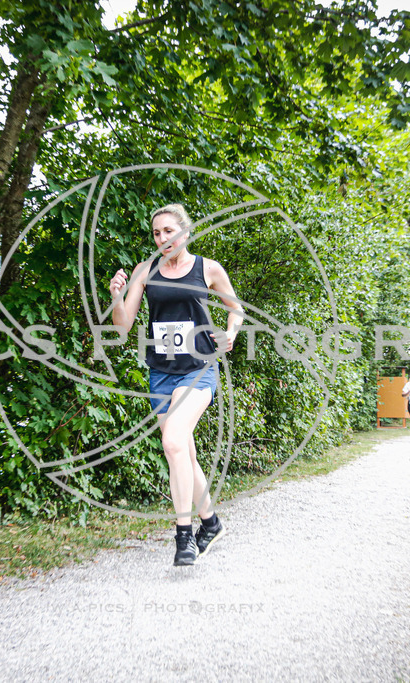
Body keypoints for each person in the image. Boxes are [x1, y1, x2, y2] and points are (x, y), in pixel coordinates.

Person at [108, 203, 244, 566]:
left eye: (169, 231)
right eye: (156, 233)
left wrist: (230, 333)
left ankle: (184, 538)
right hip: (161, 372)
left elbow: (236, 309)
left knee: (172, 441)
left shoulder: (207, 268)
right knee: (183, 452)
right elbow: (122, 328)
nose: (162, 238)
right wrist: (116, 296)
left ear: (185, 232)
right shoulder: (145, 270)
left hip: (198, 369)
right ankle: (211, 523)